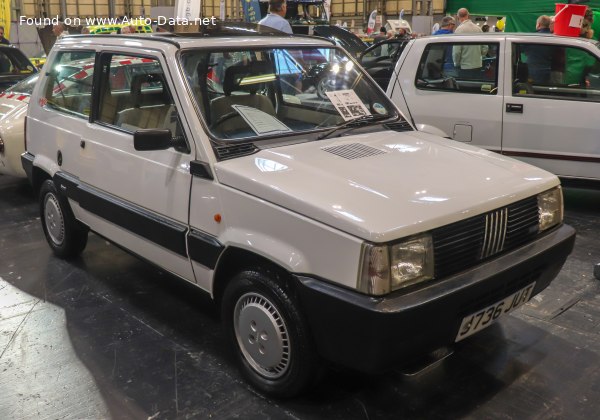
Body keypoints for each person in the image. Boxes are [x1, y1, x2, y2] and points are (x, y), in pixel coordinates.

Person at [453, 8, 488, 79]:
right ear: (468, 15)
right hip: (478, 65)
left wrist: (456, 63)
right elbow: (485, 47)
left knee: (466, 88)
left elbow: (456, 52)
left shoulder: (459, 30)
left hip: (465, 68)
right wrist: (480, 55)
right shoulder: (478, 29)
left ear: (458, 17)